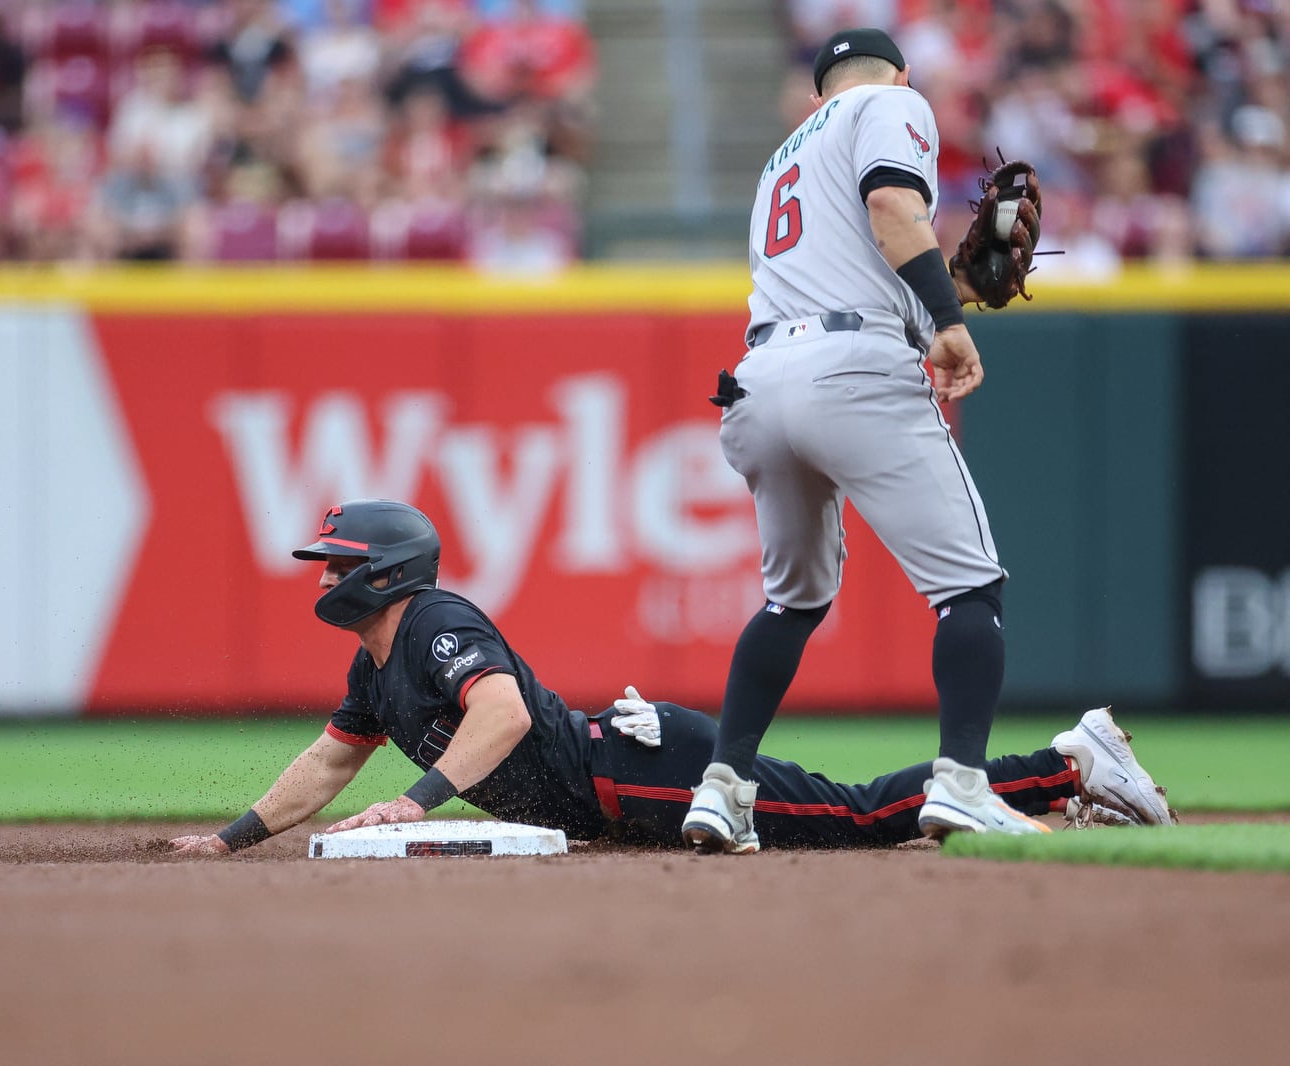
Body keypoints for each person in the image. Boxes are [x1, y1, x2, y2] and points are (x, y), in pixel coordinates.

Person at [169, 500, 1173, 858]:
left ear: (386, 568)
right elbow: (325, 759)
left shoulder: (433, 621)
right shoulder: (371, 661)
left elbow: (505, 710)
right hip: (615, 791)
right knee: (855, 814)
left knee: (862, 818)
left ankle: (1067, 762)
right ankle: (1064, 765)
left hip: (635, 769)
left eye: (339, 560)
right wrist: (231, 839)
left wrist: (415, 799)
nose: (327, 574)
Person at [682, 27, 1054, 855]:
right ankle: (961, 783)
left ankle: (723, 788)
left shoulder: (784, 158)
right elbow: (893, 209)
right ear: (901, 74)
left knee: (793, 600)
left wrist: (947, 289)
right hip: (851, 370)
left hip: (758, 379)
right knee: (970, 587)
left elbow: (866, 269)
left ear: (818, 93)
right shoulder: (894, 102)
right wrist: (953, 323)